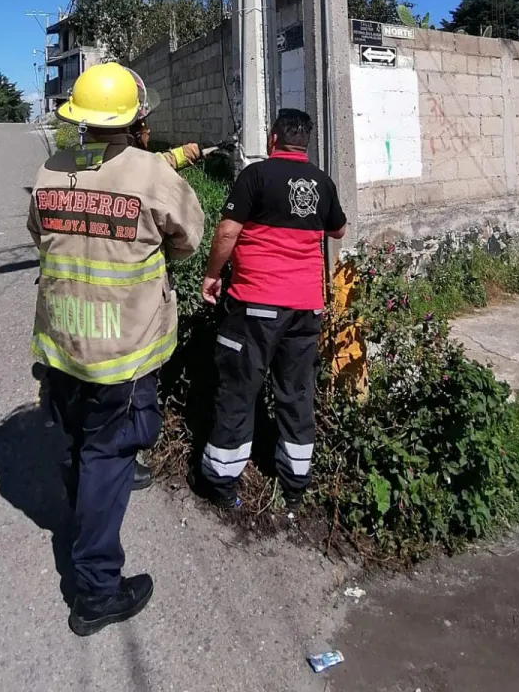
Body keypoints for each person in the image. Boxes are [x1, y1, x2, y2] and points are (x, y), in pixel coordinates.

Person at [28, 62, 205, 635]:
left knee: (78, 439)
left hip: (62, 341)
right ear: (135, 116)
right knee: (108, 456)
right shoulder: (150, 173)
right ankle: (97, 590)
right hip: (121, 352)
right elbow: (189, 239)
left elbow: (37, 232)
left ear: (77, 117)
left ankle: (83, 510)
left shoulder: (51, 169)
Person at [195, 108, 347, 509]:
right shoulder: (323, 182)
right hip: (306, 309)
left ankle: (223, 483)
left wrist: (212, 275)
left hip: (255, 305)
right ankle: (295, 486)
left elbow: (228, 230)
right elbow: (338, 229)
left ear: (272, 140)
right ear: (306, 145)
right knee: (296, 393)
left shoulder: (256, 176)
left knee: (238, 390)